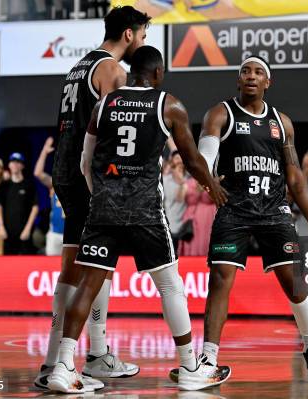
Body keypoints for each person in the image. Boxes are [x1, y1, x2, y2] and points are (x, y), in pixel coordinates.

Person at [47, 46, 230, 394]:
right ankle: (191, 366)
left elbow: (86, 162)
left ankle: (64, 365)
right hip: (145, 210)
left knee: (88, 283)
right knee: (171, 286)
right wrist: (212, 186)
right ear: (158, 73)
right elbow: (191, 160)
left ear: (131, 71)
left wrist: (100, 194)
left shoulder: (104, 105)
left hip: (103, 209)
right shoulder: (168, 104)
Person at [180, 56, 308, 385]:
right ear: (238, 80)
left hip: (274, 212)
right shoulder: (220, 113)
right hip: (234, 211)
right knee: (221, 279)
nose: (251, 76)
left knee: (294, 285)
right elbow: (205, 157)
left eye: (258, 72)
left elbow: (294, 175)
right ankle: (208, 357)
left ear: (268, 82)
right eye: (245, 71)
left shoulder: (282, 122)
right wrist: (210, 181)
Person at [36, 6, 151, 389]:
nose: (145, 43)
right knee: (97, 266)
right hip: (90, 179)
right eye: (144, 35)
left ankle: (53, 361)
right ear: (130, 35)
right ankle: (94, 356)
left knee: (73, 268)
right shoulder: (111, 71)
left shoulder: (78, 67)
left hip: (64, 173)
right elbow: (121, 130)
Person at [0, 152, 39, 255]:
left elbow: (35, 207)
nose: (15, 164)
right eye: (13, 162)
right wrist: (0, 226)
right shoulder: (4, 185)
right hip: (7, 232)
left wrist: (28, 229)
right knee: (8, 266)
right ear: (9, 165)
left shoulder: (29, 184)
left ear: (22, 166)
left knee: (27, 265)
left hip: (24, 232)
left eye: (18, 162)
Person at [34, 137, 64, 256]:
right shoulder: (55, 184)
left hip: (74, 235)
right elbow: (38, 173)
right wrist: (44, 152)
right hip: (55, 234)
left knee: (73, 270)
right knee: (52, 268)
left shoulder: (78, 185)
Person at [163, 150, 187, 252]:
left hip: (187, 223)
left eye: (181, 158)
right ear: (172, 161)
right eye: (177, 158)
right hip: (171, 222)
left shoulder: (189, 177)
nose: (179, 161)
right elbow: (177, 198)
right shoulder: (166, 179)